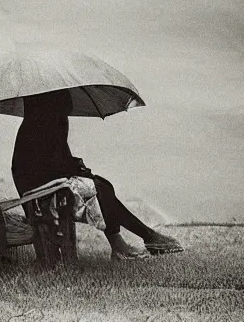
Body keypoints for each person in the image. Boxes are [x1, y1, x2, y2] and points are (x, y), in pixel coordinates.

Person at [11, 90, 184, 261]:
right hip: (38, 194)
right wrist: (75, 168)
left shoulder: (46, 120)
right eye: (65, 97)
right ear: (54, 101)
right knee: (101, 189)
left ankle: (128, 242)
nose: (70, 103)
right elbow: (47, 165)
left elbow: (59, 159)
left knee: (103, 185)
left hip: (48, 183)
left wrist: (76, 167)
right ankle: (143, 237)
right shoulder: (41, 124)